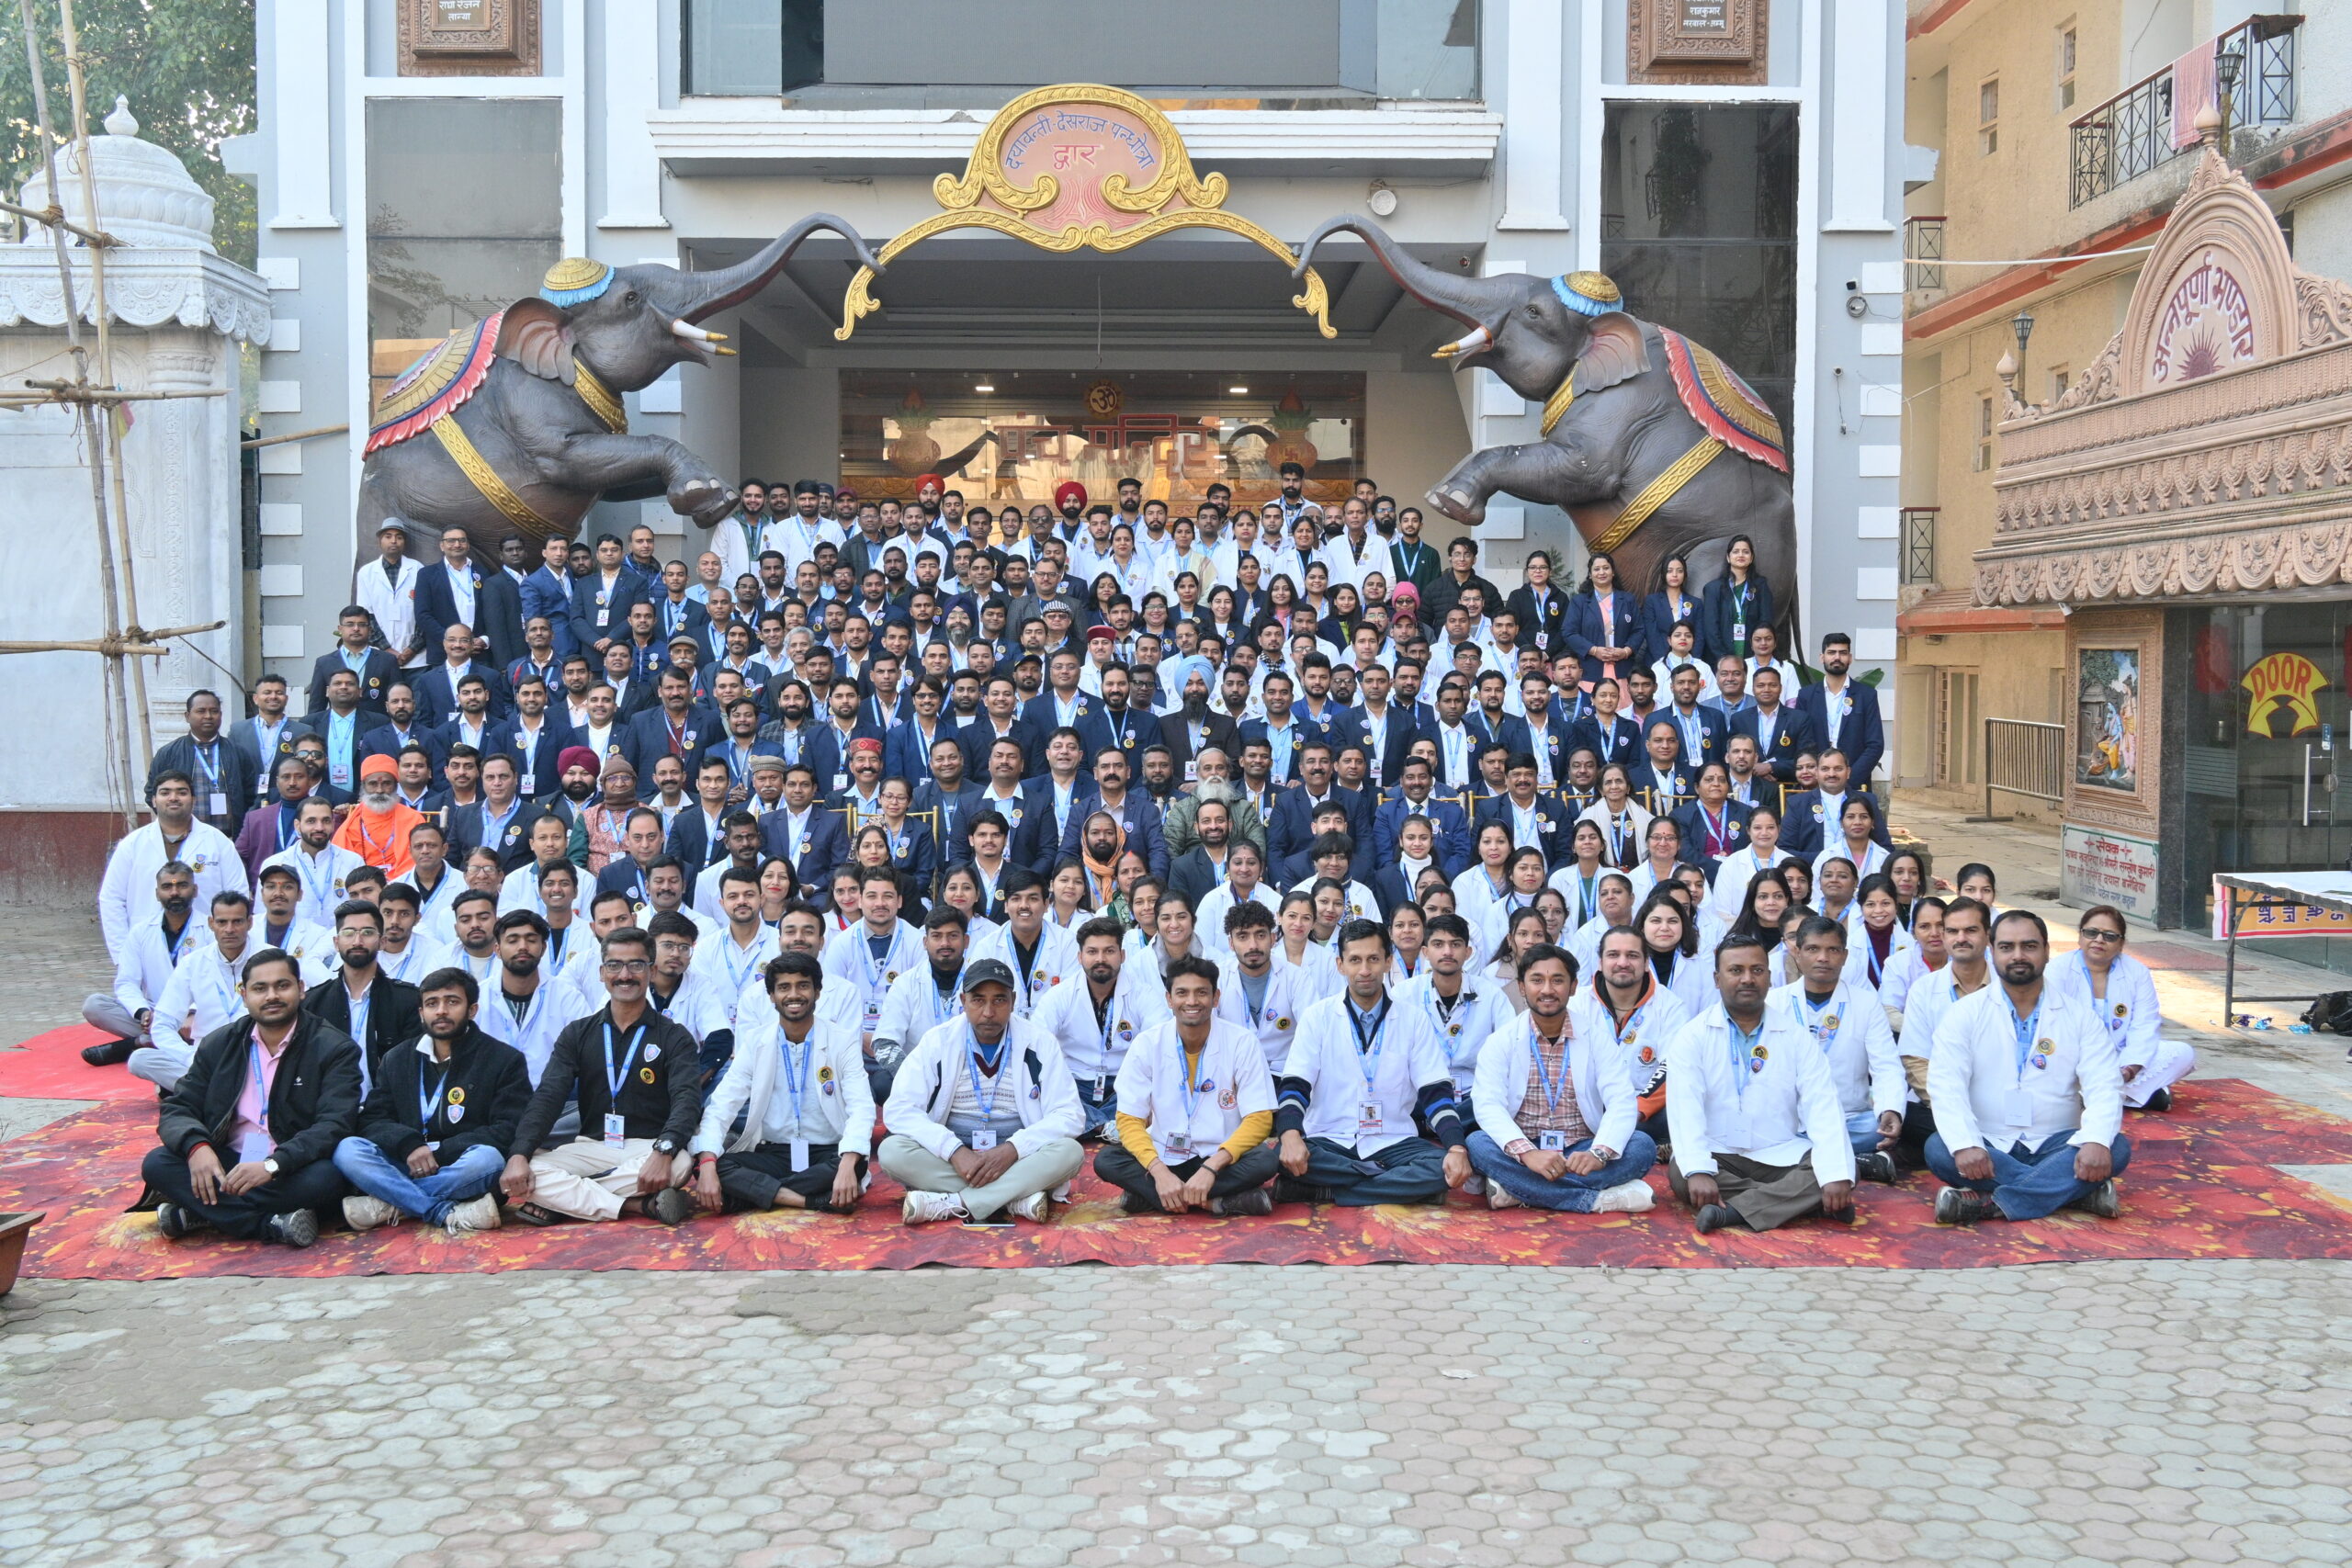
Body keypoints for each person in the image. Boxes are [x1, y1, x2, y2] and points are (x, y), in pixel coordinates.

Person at [138, 947, 361, 1248]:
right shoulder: (220, 1044)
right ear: (244, 995)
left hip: (290, 1165)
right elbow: (179, 1106)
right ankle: (270, 1225)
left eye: (282, 986)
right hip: (231, 1160)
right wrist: (197, 1148)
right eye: (260, 988)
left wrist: (272, 1166)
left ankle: (204, 1213)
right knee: (157, 1163)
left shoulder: (333, 1047)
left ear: (301, 989)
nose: (272, 996)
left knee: (326, 1179)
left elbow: (334, 1124)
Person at [1927, 910, 2130, 1225]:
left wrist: (2095, 1141)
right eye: (2007, 947)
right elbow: (1946, 1085)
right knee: (1940, 1148)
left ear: (2047, 951)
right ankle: (2076, 1193)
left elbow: (2105, 1085)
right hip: (1989, 1142)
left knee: (2114, 1146)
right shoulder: (1964, 1014)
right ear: (1992, 952)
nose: (2018, 956)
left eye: (2029, 946)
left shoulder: (2079, 1016)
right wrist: (1966, 1144)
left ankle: (1990, 1204)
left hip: (2057, 1144)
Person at [501, 927, 702, 1225]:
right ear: (601, 972)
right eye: (614, 965)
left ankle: (565, 1201)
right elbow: (548, 1097)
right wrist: (519, 1153)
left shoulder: (674, 1036)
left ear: (652, 971)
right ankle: (636, 1206)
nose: (625, 975)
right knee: (528, 1171)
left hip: (649, 1146)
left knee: (680, 1164)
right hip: (592, 1145)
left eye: (636, 965)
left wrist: (664, 1149)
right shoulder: (577, 1033)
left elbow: (687, 1099)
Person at [1662, 933, 1856, 1234]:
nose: (1747, 979)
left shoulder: (1795, 1036)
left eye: (1757, 970)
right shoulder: (1692, 1036)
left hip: (1780, 1153)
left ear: (1769, 976)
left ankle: (1733, 1213)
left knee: (1840, 1167)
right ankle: (1801, 1202)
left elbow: (1823, 1104)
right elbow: (1684, 1109)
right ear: (1717, 979)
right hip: (1719, 1152)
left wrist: (1835, 1174)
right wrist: (1699, 1169)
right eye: (1735, 970)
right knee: (1683, 1173)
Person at [1272, 919, 1469, 1205]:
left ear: (1388, 962)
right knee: (1278, 1154)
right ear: (1340, 965)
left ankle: (1326, 1191)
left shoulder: (1413, 1019)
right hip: (1330, 1138)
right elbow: (1295, 1085)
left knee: (1440, 1167)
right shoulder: (1317, 1016)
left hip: (1393, 1140)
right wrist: (1290, 1135)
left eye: (1373, 959)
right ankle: (1392, 1184)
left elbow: (1435, 1092)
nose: (1365, 970)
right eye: (1355, 960)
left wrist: (1457, 1148)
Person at [879, 957, 1087, 1224]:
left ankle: (956, 1202)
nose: (988, 1012)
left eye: (999, 1000)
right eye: (978, 1000)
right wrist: (953, 1150)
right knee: (892, 1151)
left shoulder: (1039, 1042)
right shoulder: (938, 1041)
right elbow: (899, 1109)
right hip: (956, 1160)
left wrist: (1013, 1149)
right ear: (963, 1001)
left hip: (1018, 1159)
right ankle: (1012, 1198)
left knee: (1070, 1153)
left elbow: (1070, 1114)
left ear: (1013, 1001)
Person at [331, 965, 526, 1234]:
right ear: (422, 1012)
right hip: (406, 1160)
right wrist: (409, 1145)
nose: (441, 1011)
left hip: (458, 1163)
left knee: (488, 1159)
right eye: (432, 1003)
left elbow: (507, 1128)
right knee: (347, 1149)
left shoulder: (504, 1059)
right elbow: (373, 1119)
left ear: (472, 1010)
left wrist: (439, 1152)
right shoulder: (397, 1058)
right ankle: (439, 1210)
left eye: (452, 1002)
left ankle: (390, 1202)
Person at [1465, 943, 1657, 1213]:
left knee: (1642, 1146)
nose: (1547, 990)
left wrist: (1598, 1154)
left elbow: (1621, 1101)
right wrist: (1528, 1154)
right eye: (1537, 980)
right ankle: (1597, 1200)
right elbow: (1488, 1105)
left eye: (1557, 980)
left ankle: (1518, 1190)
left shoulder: (1596, 1038)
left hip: (1581, 1151)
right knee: (1478, 1143)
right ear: (1522, 987)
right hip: (1527, 1148)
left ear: (1573, 986)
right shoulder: (1501, 1041)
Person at [690, 951, 875, 1214]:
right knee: (713, 1166)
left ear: (817, 992)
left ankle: (751, 1195)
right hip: (774, 1153)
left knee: (855, 1165)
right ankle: (811, 1200)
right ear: (771, 996)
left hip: (826, 1152)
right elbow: (722, 1105)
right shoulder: (756, 1042)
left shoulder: (841, 1040)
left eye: (803, 986)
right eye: (784, 987)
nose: (794, 995)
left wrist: (847, 1164)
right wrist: (708, 1162)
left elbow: (862, 1106)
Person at [1094, 954, 1280, 1215]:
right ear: (1169, 999)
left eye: (1201, 993)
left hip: (1221, 1158)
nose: (1192, 1001)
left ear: (1216, 998)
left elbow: (1260, 1118)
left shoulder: (1242, 1042)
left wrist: (1212, 1167)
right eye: (1182, 993)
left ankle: (1155, 1198)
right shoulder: (1147, 1044)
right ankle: (1216, 1202)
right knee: (1107, 1160)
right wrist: (1158, 1171)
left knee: (1266, 1159)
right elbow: (1128, 1119)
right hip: (1164, 1157)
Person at [1774, 915, 1905, 1185]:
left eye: (1832, 950)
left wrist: (1890, 1109)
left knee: (1879, 1127)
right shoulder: (1773, 1002)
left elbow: (1886, 1065)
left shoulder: (1866, 1003)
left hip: (1849, 1118)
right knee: (1760, 1129)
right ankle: (1855, 1161)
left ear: (1845, 956)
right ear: (1797, 953)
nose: (1823, 958)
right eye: (1813, 949)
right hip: (1791, 1118)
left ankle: (1808, 1157)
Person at [1033, 916, 1171, 1136]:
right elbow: (1036, 1043)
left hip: (1124, 1085)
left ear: (1122, 955)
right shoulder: (1060, 995)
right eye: (1092, 952)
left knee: (1153, 1094)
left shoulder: (1143, 994)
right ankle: (1110, 1126)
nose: (1101, 959)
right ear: (1080, 957)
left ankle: (1086, 1125)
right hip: (1076, 1085)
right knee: (1045, 1094)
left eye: (1109, 951)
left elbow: (1162, 1043)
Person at [2044, 905, 2190, 1113]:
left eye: (2109, 936)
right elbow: (2053, 1025)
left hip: (2120, 1059)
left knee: (2182, 1053)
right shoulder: (2057, 970)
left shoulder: (2137, 972)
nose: (2099, 940)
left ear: (2121, 944)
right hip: (2075, 1059)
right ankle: (2137, 1096)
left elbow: (2145, 1025)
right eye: (2091, 933)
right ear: (2080, 937)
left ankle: (2093, 1097)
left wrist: (2128, 1070)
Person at [99, 771, 248, 964]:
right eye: (165, 792)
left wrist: (230, 949)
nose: (173, 798)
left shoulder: (218, 842)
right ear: (154, 800)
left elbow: (238, 894)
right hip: (146, 948)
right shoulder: (132, 845)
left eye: (181, 792)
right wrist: (122, 955)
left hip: (207, 947)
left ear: (193, 799)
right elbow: (111, 899)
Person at [82, 862, 201, 1066]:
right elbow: (127, 982)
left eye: (182, 885)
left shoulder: (211, 929)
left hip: (195, 1016)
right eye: (167, 887)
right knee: (94, 1006)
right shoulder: (141, 931)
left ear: (195, 890)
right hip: (155, 1015)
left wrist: (191, 1013)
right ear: (157, 894)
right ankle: (158, 1040)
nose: (174, 892)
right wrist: (142, 1012)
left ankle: (140, 1043)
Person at [1792, 632, 1886, 790]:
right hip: (1815, 785)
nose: (1837, 657)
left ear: (1850, 658)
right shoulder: (1806, 695)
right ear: (1822, 657)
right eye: (1831, 652)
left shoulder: (1866, 695)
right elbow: (1801, 742)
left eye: (1842, 653)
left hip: (1855, 785)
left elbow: (1875, 745)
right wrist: (1816, 777)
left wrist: (1849, 780)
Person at [1699, 533, 1774, 665]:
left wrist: (1757, 654)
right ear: (1728, 557)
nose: (1741, 555)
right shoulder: (1713, 589)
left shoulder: (1760, 586)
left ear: (1751, 558)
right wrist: (1724, 659)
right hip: (1720, 661)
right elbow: (1711, 629)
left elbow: (1765, 621)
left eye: (1746, 552)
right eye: (1736, 551)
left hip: (1753, 658)